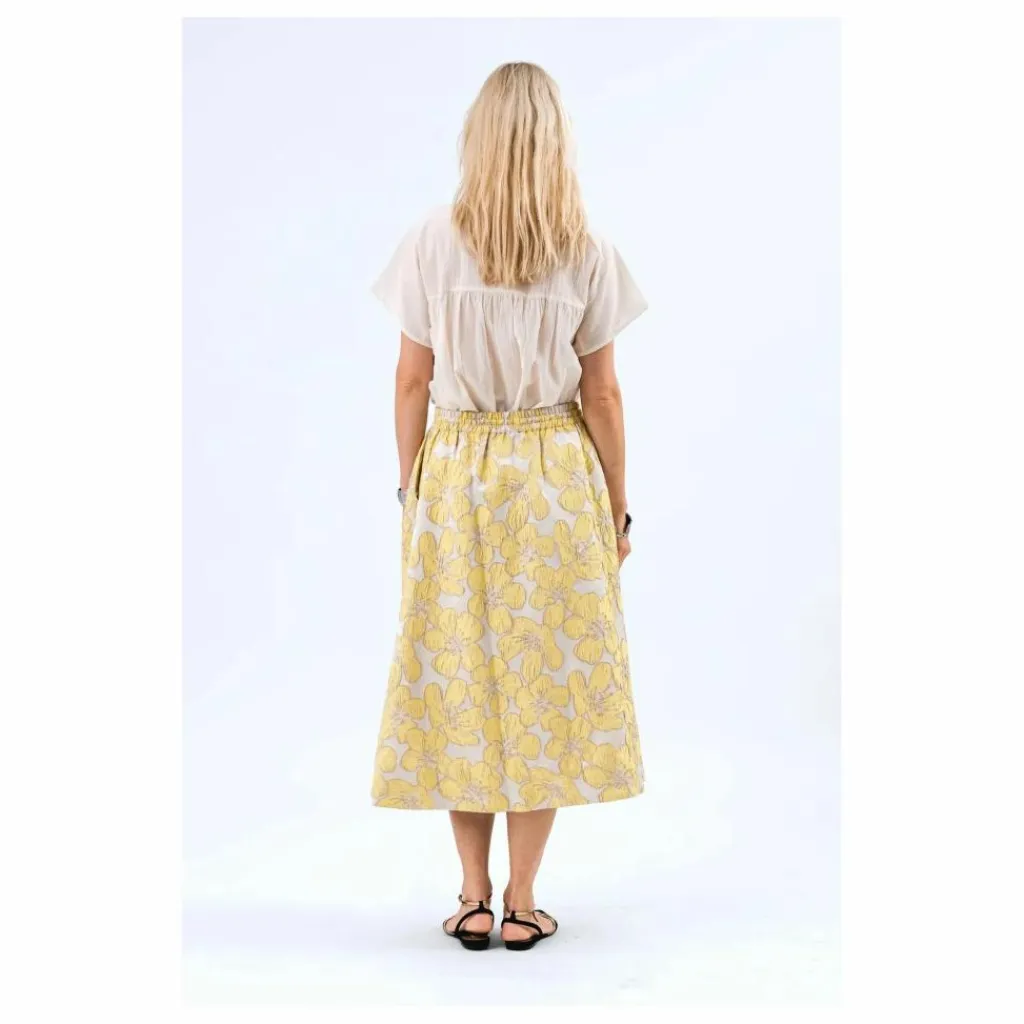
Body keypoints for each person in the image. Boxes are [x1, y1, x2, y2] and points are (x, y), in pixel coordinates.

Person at [369, 61, 647, 951]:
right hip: (555, 473)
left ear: (477, 138)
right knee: (545, 681)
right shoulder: (585, 249)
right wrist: (617, 506)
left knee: (462, 671)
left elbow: (411, 380)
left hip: (457, 469)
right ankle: (525, 901)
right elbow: (601, 394)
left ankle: (472, 895)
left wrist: (412, 486)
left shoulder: (429, 241)